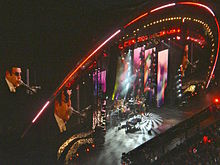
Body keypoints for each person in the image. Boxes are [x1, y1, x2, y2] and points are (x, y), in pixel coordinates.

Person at [0, 64, 29, 164]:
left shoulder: (19, 90)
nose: (20, 78)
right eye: (17, 74)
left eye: (20, 74)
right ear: (8, 74)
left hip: (14, 133)